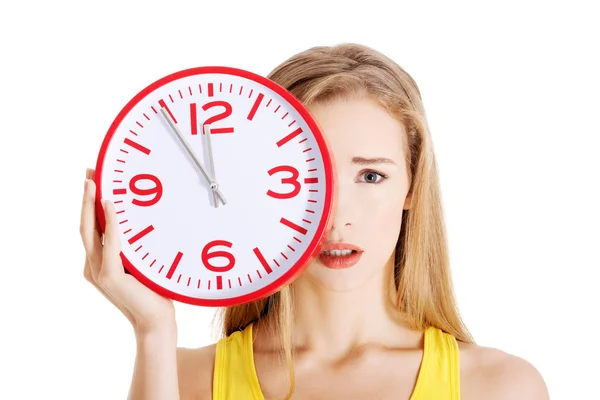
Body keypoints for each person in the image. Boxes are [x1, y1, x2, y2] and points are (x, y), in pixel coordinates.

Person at [80, 43, 550, 400]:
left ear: (411, 186)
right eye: (310, 178)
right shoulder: (182, 379)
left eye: (370, 175)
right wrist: (153, 330)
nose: (336, 215)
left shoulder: (499, 386)